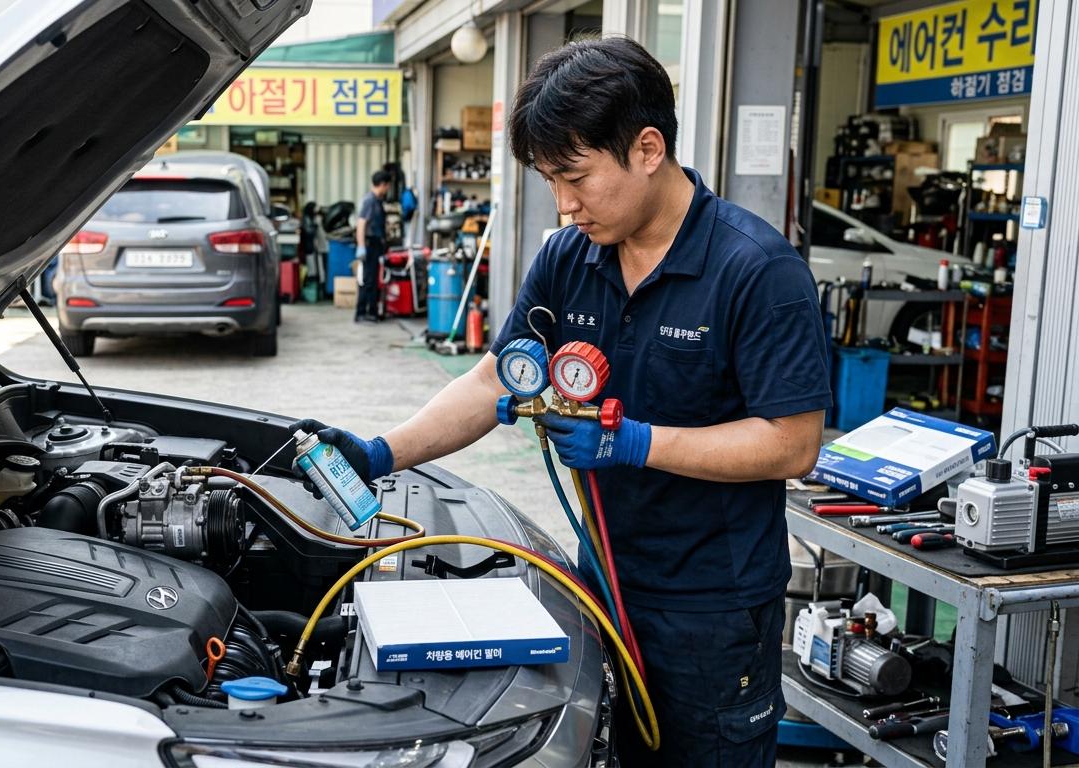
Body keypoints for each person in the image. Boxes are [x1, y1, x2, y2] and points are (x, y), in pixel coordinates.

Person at [292, 36, 830, 767]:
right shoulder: (568, 257)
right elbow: (494, 380)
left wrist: (636, 443)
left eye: (575, 176)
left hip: (714, 610)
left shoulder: (755, 270)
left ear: (647, 148)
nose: (564, 203)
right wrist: (382, 451)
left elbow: (791, 443)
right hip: (600, 580)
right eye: (549, 179)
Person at [354, 170, 391, 323]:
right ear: (382, 185)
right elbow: (361, 224)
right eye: (387, 186)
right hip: (369, 245)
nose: (388, 189)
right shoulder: (370, 201)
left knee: (373, 280)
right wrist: (361, 246)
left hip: (375, 244)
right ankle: (362, 313)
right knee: (368, 280)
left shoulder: (377, 200)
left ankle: (372, 311)